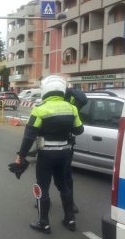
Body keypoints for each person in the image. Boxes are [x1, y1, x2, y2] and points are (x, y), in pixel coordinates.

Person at [14, 75, 84, 234]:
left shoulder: (40, 109)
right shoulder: (71, 108)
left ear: (45, 90)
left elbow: (29, 136)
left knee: (42, 187)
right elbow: (79, 130)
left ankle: (44, 223)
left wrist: (21, 155)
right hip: (65, 154)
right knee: (63, 185)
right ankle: (70, 219)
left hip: (46, 156)